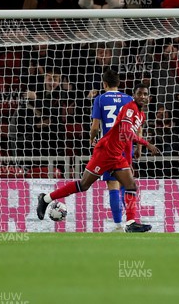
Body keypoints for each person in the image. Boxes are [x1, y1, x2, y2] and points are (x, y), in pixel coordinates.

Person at [37, 84, 160, 232]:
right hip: (105, 152)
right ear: (134, 95)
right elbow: (127, 132)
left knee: (131, 186)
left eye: (145, 94)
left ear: (149, 98)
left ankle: (130, 223)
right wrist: (147, 144)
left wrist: (129, 161)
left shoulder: (141, 115)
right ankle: (45, 199)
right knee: (83, 185)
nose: (142, 97)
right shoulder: (129, 108)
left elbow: (127, 141)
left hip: (117, 155)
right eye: (139, 94)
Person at [89, 70, 135, 231]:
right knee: (126, 184)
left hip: (109, 147)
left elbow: (95, 126)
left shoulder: (100, 99)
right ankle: (131, 222)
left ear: (104, 84)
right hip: (126, 145)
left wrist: (92, 138)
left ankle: (117, 225)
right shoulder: (129, 99)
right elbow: (137, 126)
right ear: (119, 83)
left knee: (112, 183)